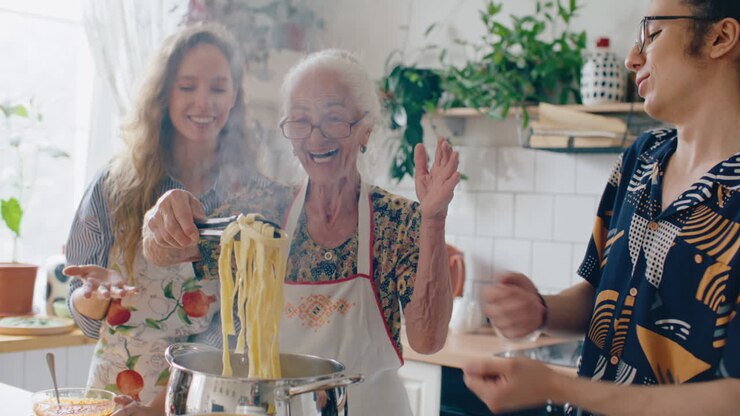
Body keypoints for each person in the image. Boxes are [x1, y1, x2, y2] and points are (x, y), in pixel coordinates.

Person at [134, 49, 459, 416]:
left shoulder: (397, 222)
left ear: (365, 128)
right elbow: (166, 251)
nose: (316, 138)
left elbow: (428, 341)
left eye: (334, 119)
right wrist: (160, 217)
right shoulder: (260, 214)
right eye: (301, 122)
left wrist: (434, 219)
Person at [464, 0, 740, 414]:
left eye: (653, 34)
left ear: (720, 37)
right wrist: (541, 309)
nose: (633, 58)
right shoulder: (641, 159)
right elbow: (602, 294)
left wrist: (562, 386)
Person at [63, 22, 272, 404]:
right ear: (163, 94)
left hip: (202, 398)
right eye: (187, 86)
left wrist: (163, 406)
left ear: (234, 98)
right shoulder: (114, 186)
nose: (203, 102)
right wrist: (93, 295)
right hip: (112, 397)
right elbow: (86, 321)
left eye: (218, 88)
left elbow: (238, 328)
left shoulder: (250, 200)